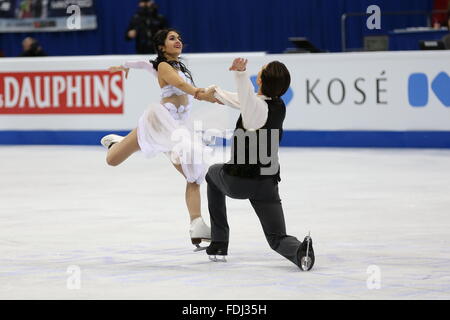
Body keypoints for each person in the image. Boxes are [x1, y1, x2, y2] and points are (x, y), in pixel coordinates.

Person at [103, 29, 219, 250]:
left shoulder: (172, 66)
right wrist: (199, 92)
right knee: (112, 160)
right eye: (172, 38)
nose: (178, 41)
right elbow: (180, 84)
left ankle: (197, 225)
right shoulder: (165, 67)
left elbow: (142, 64)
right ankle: (117, 145)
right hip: (160, 122)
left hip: (178, 127)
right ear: (161, 47)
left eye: (179, 38)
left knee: (193, 172)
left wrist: (126, 65)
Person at [200, 58, 315, 271]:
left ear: (260, 79)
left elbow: (246, 98)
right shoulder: (278, 105)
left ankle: (219, 243)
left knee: (211, 174)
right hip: (267, 183)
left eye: (259, 71)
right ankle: (300, 252)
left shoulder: (255, 108)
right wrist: (214, 93)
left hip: (239, 180)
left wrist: (241, 73)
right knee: (277, 238)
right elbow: (244, 100)